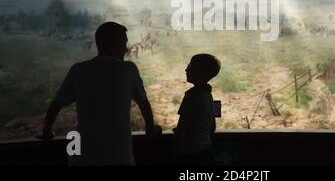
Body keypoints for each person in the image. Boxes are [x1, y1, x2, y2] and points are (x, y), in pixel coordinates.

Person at [37, 21, 161, 165]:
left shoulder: (78, 70)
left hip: (82, 159)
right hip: (119, 157)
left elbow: (56, 104)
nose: (126, 49)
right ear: (111, 44)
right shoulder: (129, 70)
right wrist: (150, 129)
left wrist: (47, 131)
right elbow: (144, 103)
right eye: (123, 43)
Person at [173, 53, 221, 166]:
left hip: (191, 152)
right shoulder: (208, 95)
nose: (186, 69)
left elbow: (182, 127)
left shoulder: (191, 96)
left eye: (190, 67)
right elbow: (212, 127)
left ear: (201, 72)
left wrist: (176, 153)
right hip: (205, 148)